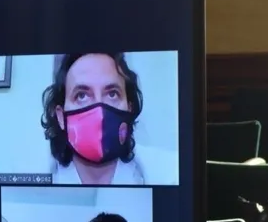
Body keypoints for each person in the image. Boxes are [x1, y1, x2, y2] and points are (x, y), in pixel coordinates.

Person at [41, 53, 174, 185]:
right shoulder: (38, 178)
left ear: (129, 108)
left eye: (112, 94)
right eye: (82, 96)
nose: (99, 113)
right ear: (60, 116)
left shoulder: (170, 174)